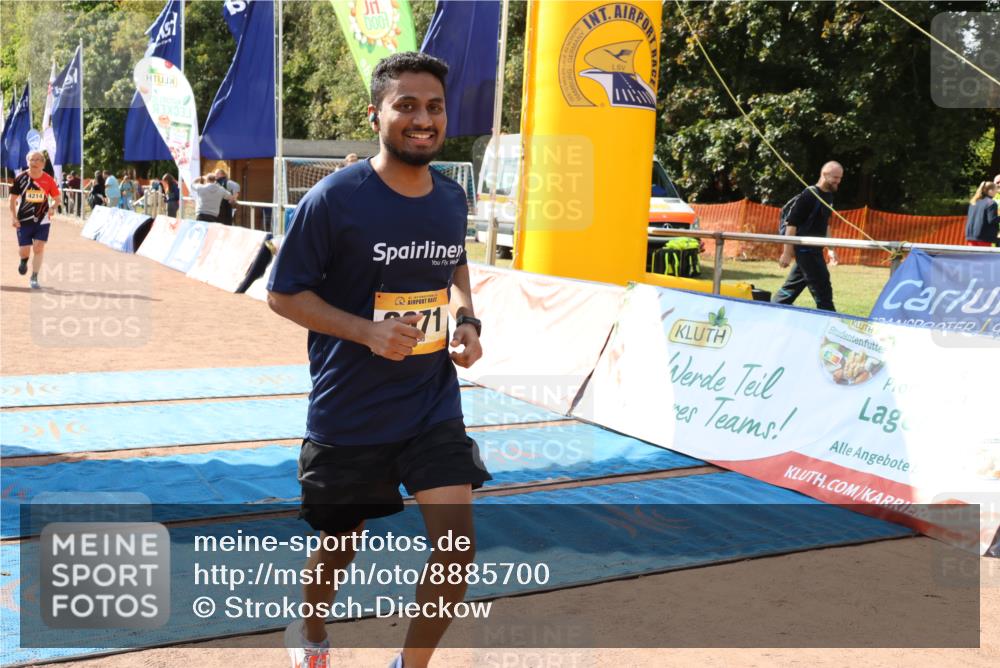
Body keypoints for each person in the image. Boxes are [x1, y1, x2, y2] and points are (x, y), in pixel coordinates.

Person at [267, 52, 488, 668]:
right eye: (407, 106)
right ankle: (309, 634)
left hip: (430, 402)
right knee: (339, 547)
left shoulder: (449, 197)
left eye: (434, 107)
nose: (423, 119)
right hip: (351, 410)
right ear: (378, 114)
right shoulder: (335, 199)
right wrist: (367, 332)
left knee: (456, 547)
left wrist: (466, 319)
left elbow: (456, 263)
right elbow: (283, 294)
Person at [773, 161, 844, 312]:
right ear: (824, 175)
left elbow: (825, 225)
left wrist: (831, 249)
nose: (838, 181)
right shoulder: (809, 195)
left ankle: (773, 309)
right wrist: (787, 253)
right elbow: (792, 224)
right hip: (806, 252)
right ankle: (829, 324)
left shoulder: (829, 196)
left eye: (840, 178)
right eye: (835, 177)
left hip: (815, 251)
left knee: (790, 290)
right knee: (823, 291)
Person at [9, 150, 61, 289]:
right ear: (27, 162)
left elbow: (57, 199)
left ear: (43, 164)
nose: (34, 162)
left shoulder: (49, 180)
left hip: (42, 219)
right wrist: (14, 217)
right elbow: (12, 199)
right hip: (24, 220)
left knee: (38, 247)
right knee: (24, 250)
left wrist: (53, 207)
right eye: (32, 159)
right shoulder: (21, 178)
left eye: (38, 160)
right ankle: (24, 261)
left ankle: (34, 277)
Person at [965, 181, 999, 247]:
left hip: (970, 235)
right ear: (990, 191)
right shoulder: (991, 203)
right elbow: (992, 220)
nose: (996, 192)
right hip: (983, 237)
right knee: (984, 256)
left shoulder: (974, 201)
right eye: (995, 190)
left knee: (973, 257)